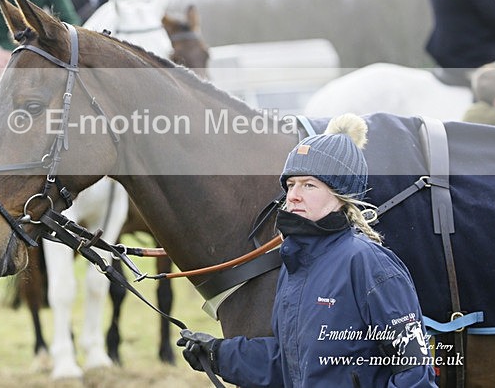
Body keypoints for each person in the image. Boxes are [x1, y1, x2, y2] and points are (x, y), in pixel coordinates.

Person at [177, 113, 436, 387]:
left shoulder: (370, 265)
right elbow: (289, 363)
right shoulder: (296, 265)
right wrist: (217, 354)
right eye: (291, 185)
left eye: (309, 185)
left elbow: (414, 375)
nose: (293, 196)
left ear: (340, 196)